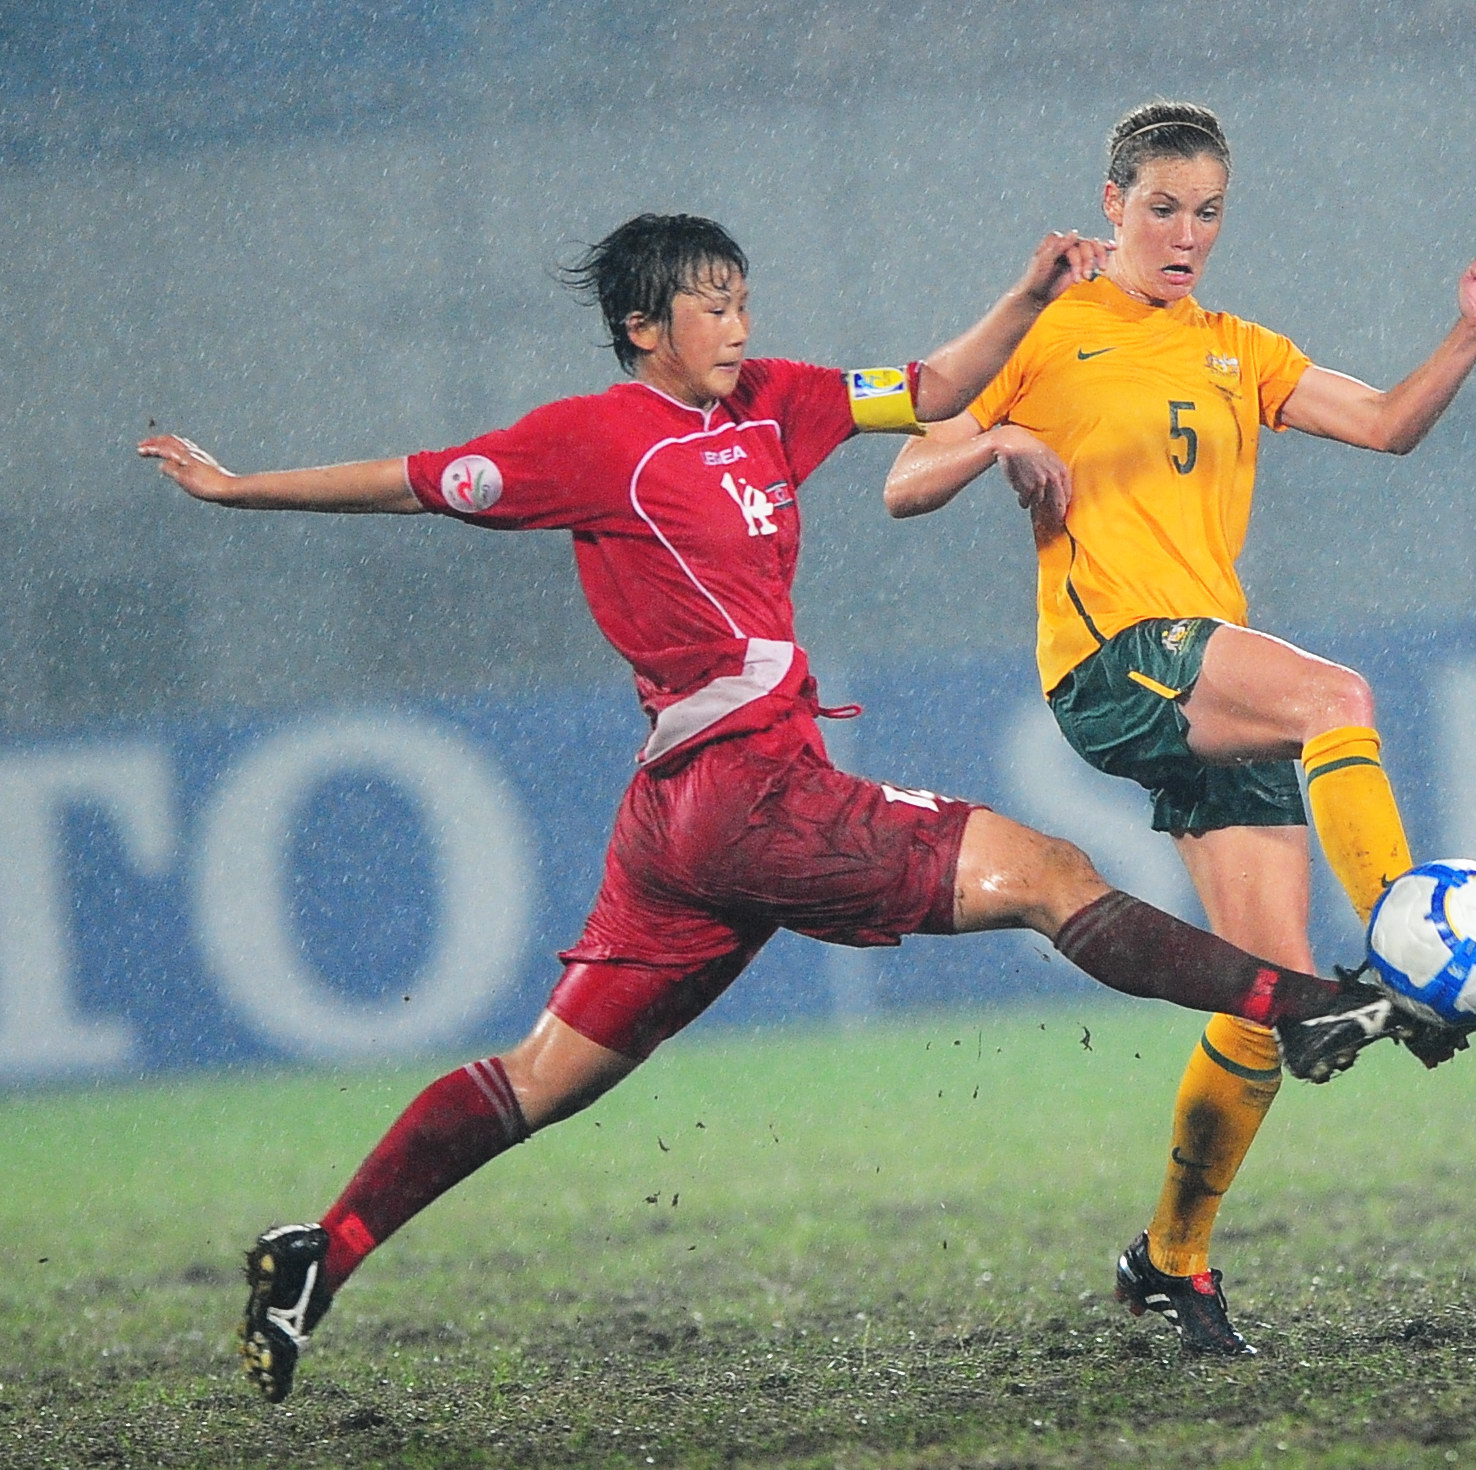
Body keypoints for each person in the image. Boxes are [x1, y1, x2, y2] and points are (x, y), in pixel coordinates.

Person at [138, 212, 1400, 1403]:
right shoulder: (592, 439)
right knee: (1051, 875)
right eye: (711, 305)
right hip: (746, 795)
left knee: (540, 1079)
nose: (738, 324)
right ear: (644, 327)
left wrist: (1024, 299)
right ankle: (1304, 1006)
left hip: (682, 824)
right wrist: (237, 490)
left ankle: (327, 1246)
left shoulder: (773, 404)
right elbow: (414, 479)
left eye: (743, 300)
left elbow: (932, 390)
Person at [884, 101, 1476, 1355]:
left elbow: (1384, 426)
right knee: (1334, 699)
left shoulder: (1236, 349)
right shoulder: (1052, 329)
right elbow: (901, 478)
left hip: (1201, 688)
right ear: (1111, 204)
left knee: (1268, 1002)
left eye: (1206, 213)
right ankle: (1411, 942)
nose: (1184, 234)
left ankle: (1172, 1262)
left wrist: (1466, 337)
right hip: (1111, 665)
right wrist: (1002, 441)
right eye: (1161, 208)